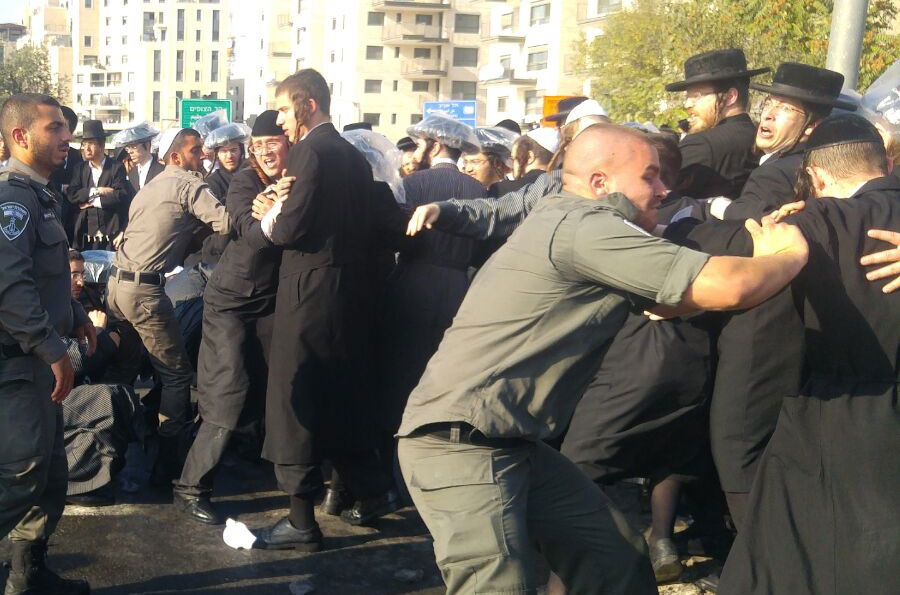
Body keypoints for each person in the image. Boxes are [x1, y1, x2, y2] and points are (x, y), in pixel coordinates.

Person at [396, 123, 810, 594]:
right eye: (649, 177)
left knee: (614, 563)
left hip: (511, 444)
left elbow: (670, 301)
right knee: (497, 587)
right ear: (600, 183)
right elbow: (727, 286)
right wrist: (791, 256)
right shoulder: (586, 227)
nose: (663, 188)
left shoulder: (575, 222)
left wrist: (754, 253)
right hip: (462, 444)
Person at [678, 114, 900, 595]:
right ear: (884, 163)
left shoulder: (813, 224)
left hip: (836, 426)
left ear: (817, 177)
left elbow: (709, 257)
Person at [699, 63, 857, 533]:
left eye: (786, 110)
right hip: (799, 327)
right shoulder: (791, 166)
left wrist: (704, 212)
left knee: (739, 445)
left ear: (811, 125)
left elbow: (744, 234)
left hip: (764, 324)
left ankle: (758, 559)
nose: (767, 117)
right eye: (768, 106)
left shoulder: (781, 173)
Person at [252, 69, 395, 551]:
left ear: (308, 105)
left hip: (309, 295)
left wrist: (266, 212)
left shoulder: (312, 151)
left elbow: (287, 229)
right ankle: (374, 489)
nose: (280, 123)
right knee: (340, 396)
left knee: (297, 399)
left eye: (284, 112)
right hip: (347, 294)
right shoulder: (354, 156)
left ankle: (300, 521)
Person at [173, 111, 288, 524]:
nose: (264, 152)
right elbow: (242, 222)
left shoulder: (301, 179)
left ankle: (250, 454)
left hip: (269, 301)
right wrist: (270, 211)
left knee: (271, 382)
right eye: (257, 146)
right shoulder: (245, 180)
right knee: (227, 390)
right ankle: (190, 486)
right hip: (230, 301)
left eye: (272, 142)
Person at [0, 92, 94, 595]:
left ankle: (27, 578)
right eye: (55, 128)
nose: (67, 137)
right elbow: (9, 287)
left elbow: (46, 275)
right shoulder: (12, 199)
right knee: (18, 479)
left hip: (39, 363)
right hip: (18, 364)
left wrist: (76, 313)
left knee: (49, 477)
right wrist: (51, 347)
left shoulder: (42, 194)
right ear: (21, 136)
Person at [106, 126, 230, 484]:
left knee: (124, 371)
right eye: (196, 152)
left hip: (118, 285)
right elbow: (228, 222)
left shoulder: (153, 186)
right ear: (176, 157)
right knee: (176, 376)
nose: (203, 157)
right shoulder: (188, 184)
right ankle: (168, 465)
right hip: (144, 291)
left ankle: (106, 453)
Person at [378, 113, 485, 493]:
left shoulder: (415, 183)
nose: (417, 151)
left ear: (436, 145)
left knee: (401, 378)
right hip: (458, 288)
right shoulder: (479, 191)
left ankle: (395, 475)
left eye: (421, 143)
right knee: (440, 380)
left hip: (413, 282)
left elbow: (394, 234)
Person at [665, 48, 769, 199]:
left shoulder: (701, 144)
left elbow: (664, 202)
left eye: (697, 95)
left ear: (730, 97)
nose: (687, 104)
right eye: (688, 97)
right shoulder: (760, 138)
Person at [66, 120, 132, 251]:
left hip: (110, 231)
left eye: (91, 143)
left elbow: (121, 195)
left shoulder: (115, 167)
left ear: (101, 145)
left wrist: (93, 201)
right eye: (84, 144)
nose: (86, 148)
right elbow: (72, 194)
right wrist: (97, 191)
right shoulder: (80, 168)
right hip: (85, 232)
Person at [496, 127, 558, 195]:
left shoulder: (504, 189)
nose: (513, 166)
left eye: (515, 159)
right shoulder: (562, 186)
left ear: (529, 157)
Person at [112, 122, 163, 194]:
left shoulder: (162, 171)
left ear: (147, 145)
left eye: (133, 146)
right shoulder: (132, 174)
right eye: (128, 148)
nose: (129, 151)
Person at [464, 126, 517, 192]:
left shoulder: (512, 195)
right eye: (465, 162)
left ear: (497, 163)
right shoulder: (464, 193)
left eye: (475, 162)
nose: (468, 169)